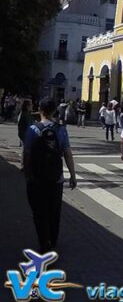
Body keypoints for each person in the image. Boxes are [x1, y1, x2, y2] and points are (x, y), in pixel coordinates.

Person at [22, 98, 76, 252]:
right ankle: (53, 239)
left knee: (39, 211)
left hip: (37, 178)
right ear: (54, 111)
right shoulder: (60, 130)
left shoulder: (32, 129)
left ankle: (43, 241)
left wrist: (27, 173)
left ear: (40, 110)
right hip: (56, 178)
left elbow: (27, 154)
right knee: (54, 210)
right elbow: (67, 153)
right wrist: (73, 175)